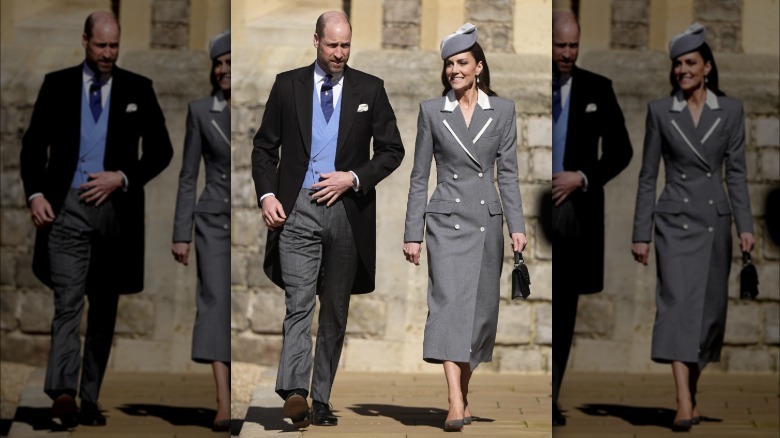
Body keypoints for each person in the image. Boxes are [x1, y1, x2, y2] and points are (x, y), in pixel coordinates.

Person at [19, 11, 173, 428]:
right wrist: (35, 195)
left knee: (104, 310)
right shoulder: (57, 85)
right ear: (85, 41)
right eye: (101, 45)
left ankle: (90, 398)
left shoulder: (139, 88)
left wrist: (121, 177)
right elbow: (33, 146)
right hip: (65, 208)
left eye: (114, 46)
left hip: (115, 216)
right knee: (67, 303)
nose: (108, 54)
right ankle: (63, 393)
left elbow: (161, 151)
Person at [252, 11, 404, 427]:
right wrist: (267, 195)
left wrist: (353, 178)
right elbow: (264, 148)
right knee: (298, 303)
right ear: (315, 40)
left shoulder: (370, 89)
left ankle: (321, 398)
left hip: (347, 215)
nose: (339, 53)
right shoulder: (288, 85)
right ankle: (296, 391)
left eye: (346, 46)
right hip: (296, 209)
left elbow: (392, 150)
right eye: (332, 44)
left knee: (335, 311)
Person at [402, 23, 526, 432]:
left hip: (487, 222)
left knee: (479, 316)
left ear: (478, 66)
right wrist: (412, 233)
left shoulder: (503, 110)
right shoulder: (431, 111)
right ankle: (454, 400)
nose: (453, 70)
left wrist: (517, 226)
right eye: (448, 64)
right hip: (446, 221)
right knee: (448, 307)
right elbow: (419, 175)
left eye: (461, 63)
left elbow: (507, 174)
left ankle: (463, 392)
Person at [631, 23, 755, 431]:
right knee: (676, 309)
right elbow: (648, 176)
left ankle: (692, 392)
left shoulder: (732, 111)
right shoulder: (660, 112)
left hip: (715, 223)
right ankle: (683, 400)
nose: (682, 70)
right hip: (674, 222)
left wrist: (745, 226)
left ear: (707, 66)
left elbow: (735, 174)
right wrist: (641, 233)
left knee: (709, 315)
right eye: (677, 64)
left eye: (689, 63)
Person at [550, 10, 633, 426]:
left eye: (572, 46)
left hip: (575, 219)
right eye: (559, 45)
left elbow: (621, 151)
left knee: (564, 309)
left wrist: (581, 177)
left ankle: (552, 395)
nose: (566, 53)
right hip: (531, 213)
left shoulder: (598, 88)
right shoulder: (533, 87)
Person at [171, 30, 231, 432]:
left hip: (252, 217)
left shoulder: (257, 108)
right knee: (213, 302)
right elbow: (188, 174)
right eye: (219, 63)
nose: (223, 69)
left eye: (230, 62)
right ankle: (223, 402)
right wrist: (181, 232)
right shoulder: (199, 111)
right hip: (211, 220)